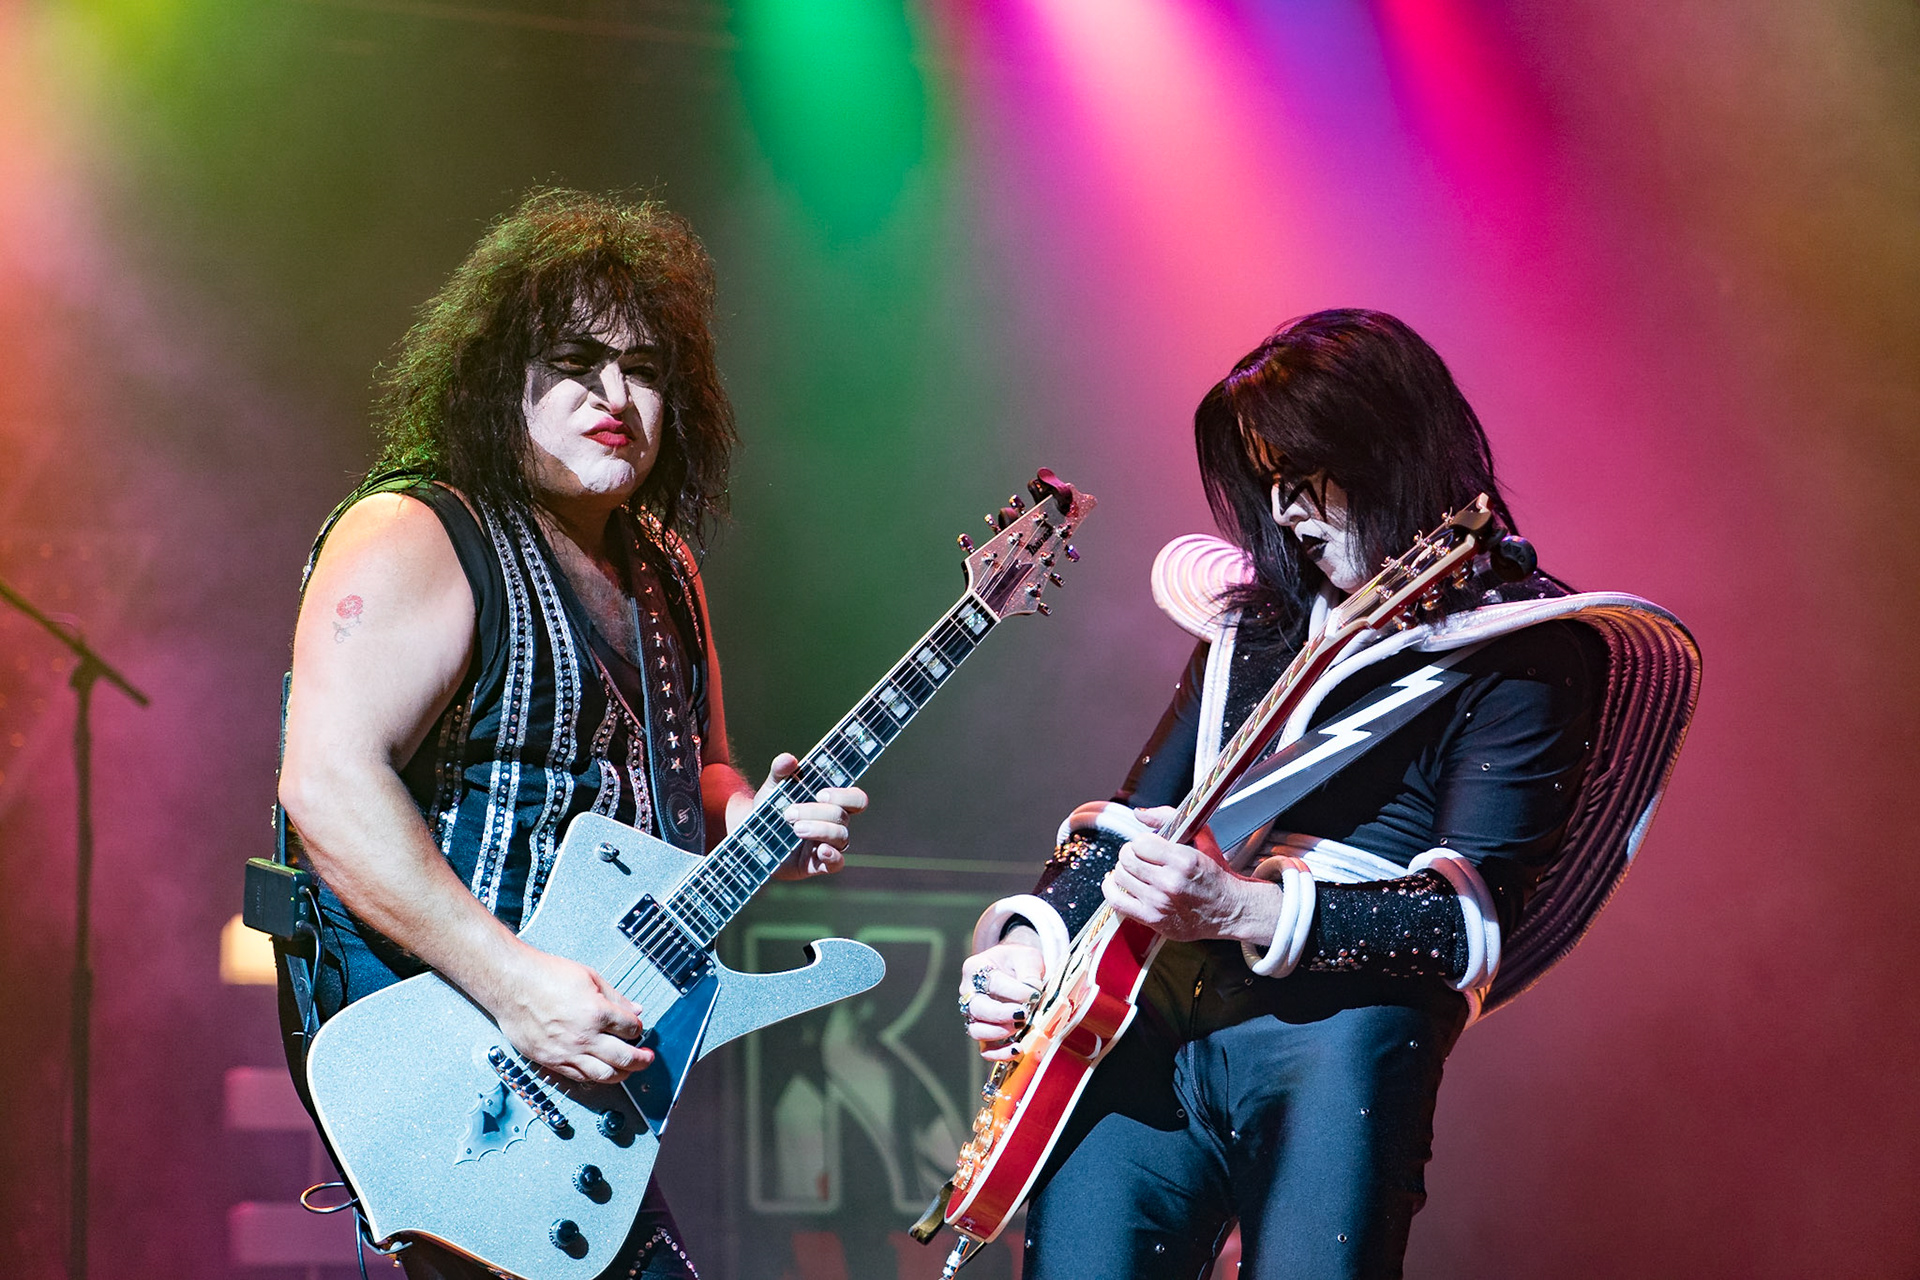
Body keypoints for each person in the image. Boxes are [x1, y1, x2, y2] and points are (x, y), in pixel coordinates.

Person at [957, 310, 1699, 1279]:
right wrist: (1026, 945)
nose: (1288, 513)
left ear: (1391, 452)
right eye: (1267, 483)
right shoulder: (1249, 631)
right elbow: (1134, 822)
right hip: (1150, 1022)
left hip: (1338, 1038)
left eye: (1306, 475)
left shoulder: (1527, 650)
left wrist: (1241, 907)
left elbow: (1465, 928)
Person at [277, 189, 866, 1279]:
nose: (616, 397)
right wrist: (514, 984)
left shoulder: (666, 572)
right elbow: (327, 783)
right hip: (456, 1057)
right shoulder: (417, 531)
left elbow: (692, 771)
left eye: (644, 369)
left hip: (587, 1058)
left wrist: (754, 817)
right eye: (576, 362)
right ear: (500, 376)